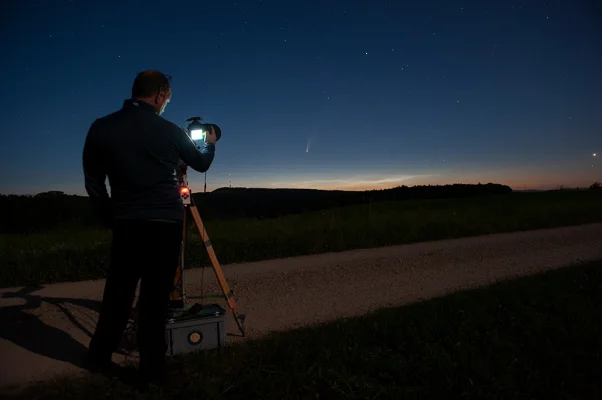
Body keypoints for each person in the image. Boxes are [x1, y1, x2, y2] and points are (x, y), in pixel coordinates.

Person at [82, 70, 217, 385]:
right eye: (166, 99)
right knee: (155, 301)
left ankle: (98, 358)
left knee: (117, 294)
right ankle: (151, 374)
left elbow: (93, 181)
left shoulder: (102, 127)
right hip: (163, 225)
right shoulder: (169, 131)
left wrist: (111, 216)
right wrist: (209, 143)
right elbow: (201, 164)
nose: (165, 104)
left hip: (126, 223)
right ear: (159, 95)